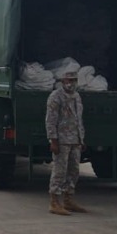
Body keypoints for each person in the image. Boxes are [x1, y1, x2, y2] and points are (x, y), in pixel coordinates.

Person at [45, 70, 88, 216]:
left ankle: (68, 199)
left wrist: (81, 139)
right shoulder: (56, 97)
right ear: (62, 82)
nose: (71, 83)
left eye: (74, 80)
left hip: (75, 140)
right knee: (59, 171)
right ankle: (54, 202)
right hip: (62, 140)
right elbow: (50, 120)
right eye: (68, 80)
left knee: (74, 170)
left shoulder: (77, 96)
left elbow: (78, 119)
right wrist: (53, 140)